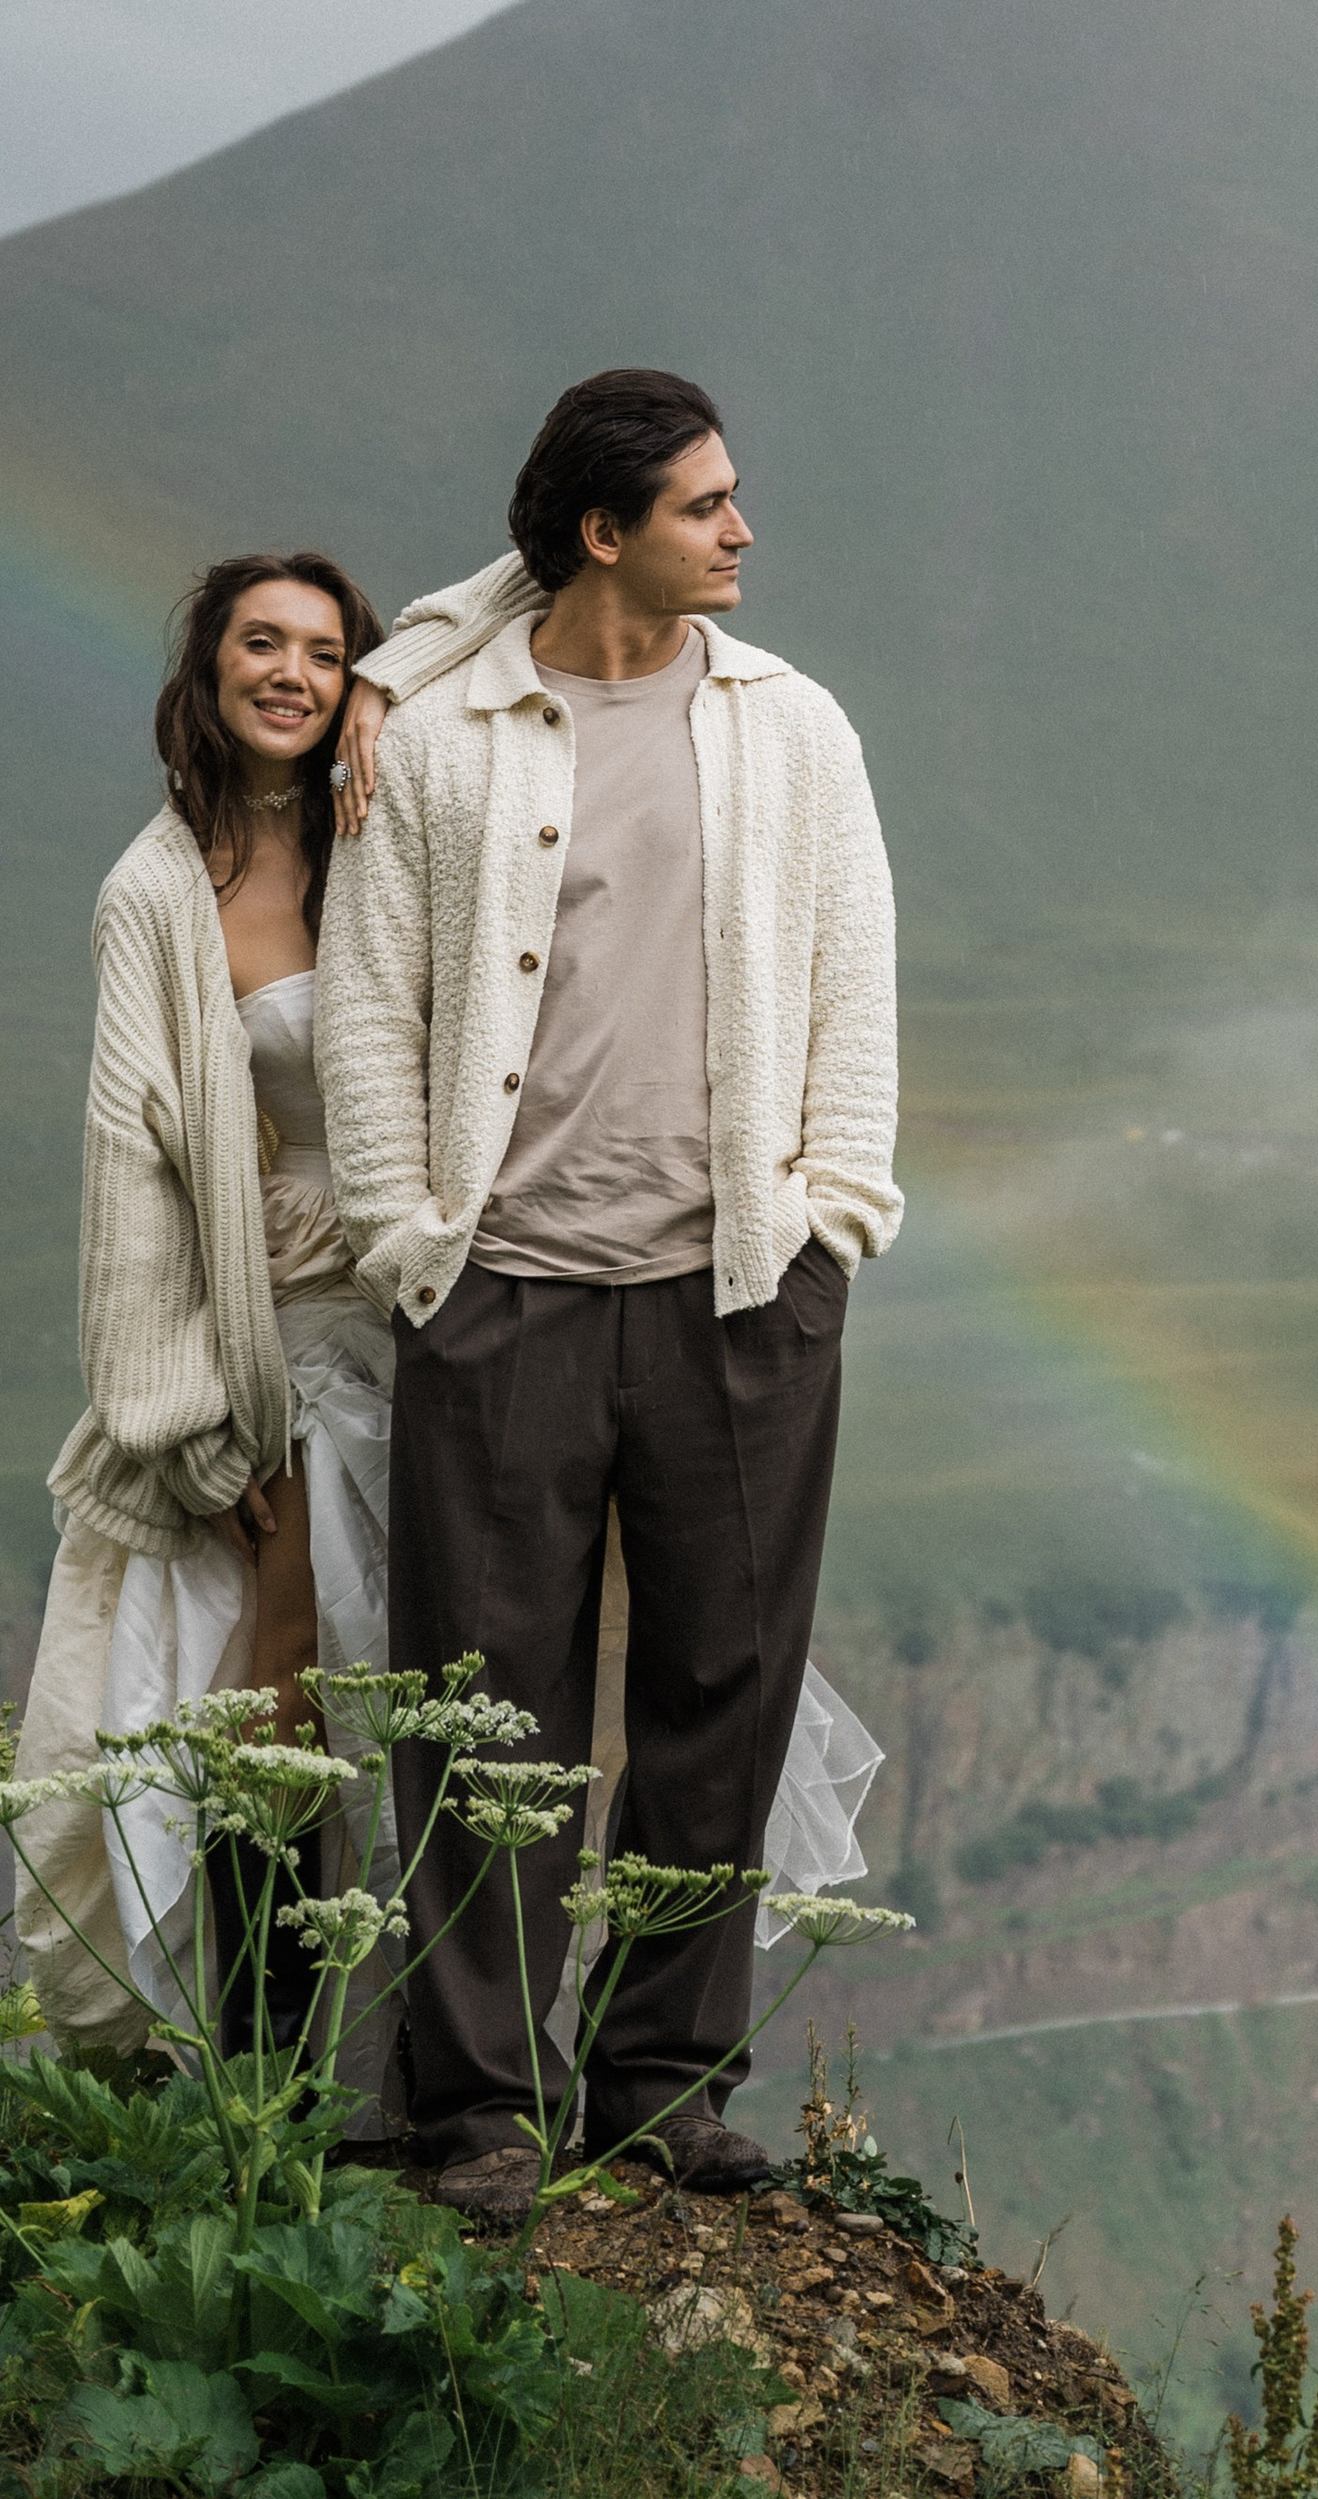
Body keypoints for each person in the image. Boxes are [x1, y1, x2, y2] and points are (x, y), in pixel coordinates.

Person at [316, 366, 901, 2224]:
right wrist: (419, 1243)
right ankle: (477, 2100)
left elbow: (854, 979)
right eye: (705, 506)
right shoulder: (440, 734)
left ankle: (662, 2084)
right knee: (485, 1707)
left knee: (726, 1685)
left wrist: (832, 1218)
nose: (743, 531)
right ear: (601, 531)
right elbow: (364, 1001)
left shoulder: (792, 727)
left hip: (740, 1291)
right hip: (507, 1293)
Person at [15, 552, 398, 2097]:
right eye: (264, 643)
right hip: (271, 1330)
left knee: (413, 1686)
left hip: (421, 1308)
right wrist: (193, 1414)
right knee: (277, 1670)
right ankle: (264, 2063)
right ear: (209, 665)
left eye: (326, 651)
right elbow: (138, 1174)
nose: (293, 673)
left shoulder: (394, 842)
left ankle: (407, 2064)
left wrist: (400, 677)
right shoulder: (155, 895)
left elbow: (541, 567)